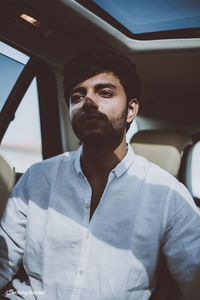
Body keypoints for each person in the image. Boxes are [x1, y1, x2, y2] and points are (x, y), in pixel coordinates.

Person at [0, 49, 200, 300]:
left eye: (105, 93)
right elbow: (3, 262)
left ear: (131, 110)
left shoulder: (169, 195)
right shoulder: (36, 178)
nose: (89, 102)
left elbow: (195, 282)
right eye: (77, 96)